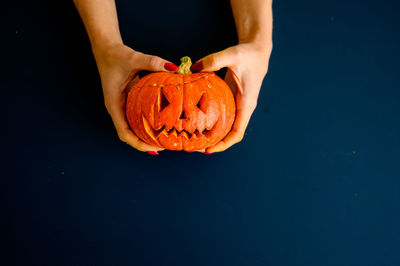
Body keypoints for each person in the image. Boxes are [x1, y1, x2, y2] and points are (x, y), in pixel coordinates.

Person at [73, 0, 273, 155]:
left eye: (198, 104)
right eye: (167, 102)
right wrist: (105, 46)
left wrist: (258, 41)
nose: (183, 117)